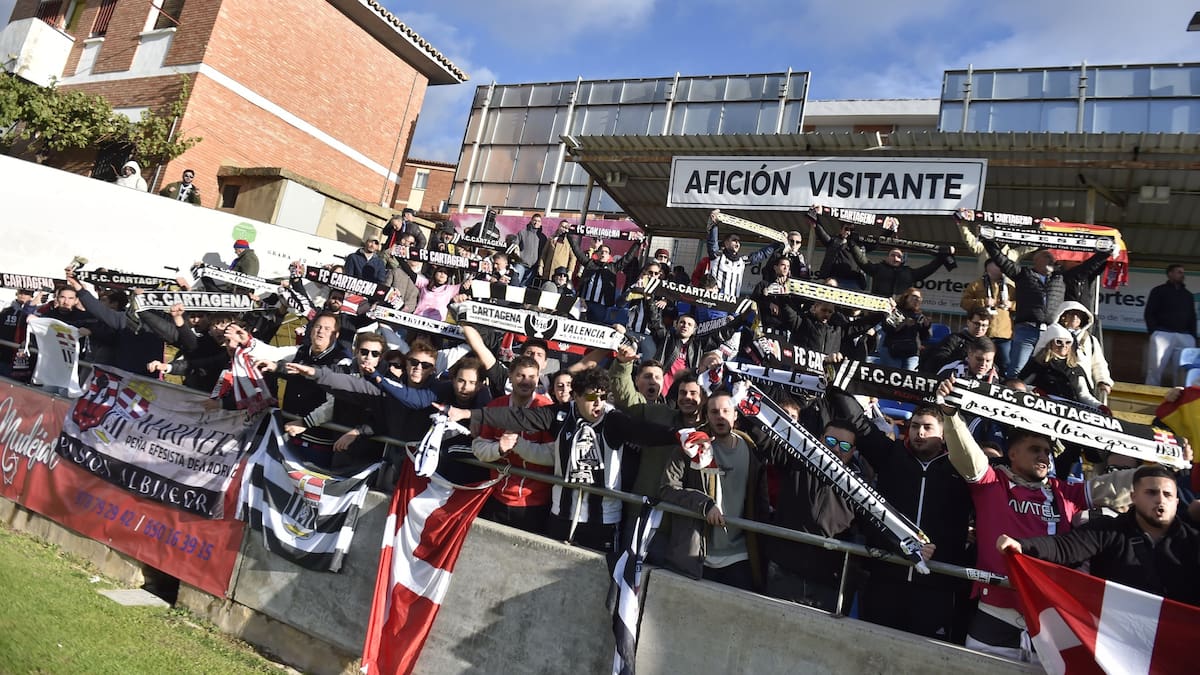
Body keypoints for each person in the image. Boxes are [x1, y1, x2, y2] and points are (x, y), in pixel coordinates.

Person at [938, 373, 1140, 660]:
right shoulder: (992, 482)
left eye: (1047, 451)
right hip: (996, 612)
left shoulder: (1065, 491)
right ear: (1013, 454)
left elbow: (1116, 486)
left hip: (1051, 616)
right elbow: (965, 454)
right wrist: (950, 415)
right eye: (1035, 449)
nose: (1044, 456)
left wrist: (1165, 462)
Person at [449, 369, 679, 554]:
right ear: (576, 396)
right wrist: (469, 414)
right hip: (561, 514)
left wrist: (678, 436)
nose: (598, 403)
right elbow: (518, 417)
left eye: (602, 397)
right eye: (591, 397)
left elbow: (644, 431)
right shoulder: (559, 414)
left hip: (603, 520)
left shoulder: (613, 419)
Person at [997, 464, 1200, 606]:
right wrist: (1022, 546)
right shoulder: (1107, 530)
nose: (1160, 500)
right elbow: (1062, 547)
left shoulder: (1194, 542)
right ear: (1133, 497)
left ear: (1177, 502)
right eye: (1151, 493)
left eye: (1167, 495)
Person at [857, 404, 972, 642]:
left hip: (936, 587)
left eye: (927, 427)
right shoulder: (891, 455)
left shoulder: (962, 468)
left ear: (943, 434)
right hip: (885, 580)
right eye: (915, 426)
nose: (919, 432)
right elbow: (858, 422)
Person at [658, 390, 769, 591]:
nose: (720, 416)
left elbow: (759, 502)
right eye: (714, 412)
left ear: (735, 415)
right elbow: (667, 489)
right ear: (706, 415)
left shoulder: (751, 450)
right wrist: (704, 504)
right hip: (698, 555)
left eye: (726, 411)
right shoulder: (691, 446)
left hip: (740, 555)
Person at [983, 240, 1109, 379]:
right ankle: (1013, 389)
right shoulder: (1023, 274)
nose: (1052, 260)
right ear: (1036, 261)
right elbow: (1001, 260)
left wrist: (1105, 252)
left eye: (1052, 258)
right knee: (1018, 369)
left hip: (1051, 332)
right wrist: (987, 241)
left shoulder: (1061, 277)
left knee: (1050, 370)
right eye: (1047, 257)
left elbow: (1087, 268)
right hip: (1027, 330)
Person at [471, 355, 555, 535]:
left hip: (534, 502)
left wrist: (518, 444)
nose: (526, 381)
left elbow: (552, 457)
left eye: (531, 377)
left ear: (538, 378)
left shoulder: (546, 409)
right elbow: (478, 448)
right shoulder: (496, 406)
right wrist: (499, 448)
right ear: (510, 376)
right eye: (520, 375)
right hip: (496, 496)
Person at [1019, 323, 1102, 408]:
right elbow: (1020, 385)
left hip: (1070, 409)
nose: (1063, 345)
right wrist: (1035, 391)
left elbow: (1083, 394)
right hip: (1043, 407)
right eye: (1058, 342)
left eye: (1068, 342)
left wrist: (1099, 406)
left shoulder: (1076, 368)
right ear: (1049, 343)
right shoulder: (1038, 364)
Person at [960, 260, 1016, 377]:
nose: (1001, 269)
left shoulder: (1010, 287)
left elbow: (1022, 306)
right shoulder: (976, 285)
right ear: (988, 268)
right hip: (983, 334)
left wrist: (1011, 304)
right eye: (998, 266)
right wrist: (983, 302)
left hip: (1004, 334)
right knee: (981, 362)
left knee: (1005, 364)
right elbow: (964, 303)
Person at [567, 235, 641, 323]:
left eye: (606, 252)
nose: (603, 253)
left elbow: (627, 258)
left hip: (601, 306)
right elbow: (577, 251)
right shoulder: (590, 264)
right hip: (585, 303)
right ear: (597, 254)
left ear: (609, 256)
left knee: (597, 325)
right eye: (601, 251)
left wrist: (637, 243)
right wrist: (569, 235)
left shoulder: (613, 267)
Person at [705, 210, 779, 296]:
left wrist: (777, 243)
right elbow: (712, 242)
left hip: (733, 302)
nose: (737, 243)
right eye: (734, 240)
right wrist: (714, 225)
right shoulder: (717, 256)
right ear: (726, 243)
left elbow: (761, 255)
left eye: (739, 241)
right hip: (715, 300)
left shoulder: (742, 261)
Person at [1144, 264, 1197, 386]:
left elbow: (1192, 316)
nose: (1182, 275)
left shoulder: (1187, 295)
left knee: (1182, 369)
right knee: (1155, 367)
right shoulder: (1158, 291)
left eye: (1183, 272)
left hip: (1185, 335)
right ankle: (1150, 391)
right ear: (1170, 274)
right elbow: (1149, 312)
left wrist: (1192, 336)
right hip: (1163, 334)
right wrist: (1154, 331)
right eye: (1179, 272)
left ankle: (1181, 394)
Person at [1052, 301, 1113, 401]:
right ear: (1063, 316)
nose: (1075, 317)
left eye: (1078, 315)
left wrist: (1103, 381)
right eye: (1071, 314)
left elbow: (1099, 363)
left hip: (1082, 389)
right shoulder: (1051, 335)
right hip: (1055, 385)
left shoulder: (1091, 340)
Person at [850, 244, 955, 299]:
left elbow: (928, 269)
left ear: (902, 260)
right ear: (887, 257)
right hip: (878, 308)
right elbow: (862, 260)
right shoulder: (878, 268)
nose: (895, 258)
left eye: (899, 256)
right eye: (892, 255)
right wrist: (853, 244)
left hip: (900, 312)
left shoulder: (909, 273)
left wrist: (943, 257)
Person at [921, 308, 991, 374]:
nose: (980, 328)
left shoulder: (989, 345)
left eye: (984, 325)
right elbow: (939, 359)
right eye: (977, 324)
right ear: (968, 322)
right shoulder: (954, 339)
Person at [878, 288, 931, 371]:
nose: (917, 300)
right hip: (893, 350)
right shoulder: (896, 310)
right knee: (893, 374)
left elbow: (925, 337)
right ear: (906, 297)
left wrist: (926, 326)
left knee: (910, 375)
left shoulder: (920, 316)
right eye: (914, 296)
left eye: (919, 298)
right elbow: (887, 328)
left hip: (911, 352)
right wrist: (903, 323)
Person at [513, 213, 546, 286]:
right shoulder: (522, 232)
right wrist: (516, 248)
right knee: (514, 284)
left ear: (541, 223)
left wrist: (540, 266)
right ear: (531, 221)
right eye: (534, 220)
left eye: (538, 221)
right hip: (520, 264)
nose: (536, 222)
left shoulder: (543, 237)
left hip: (533, 268)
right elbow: (515, 244)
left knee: (524, 287)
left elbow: (543, 253)